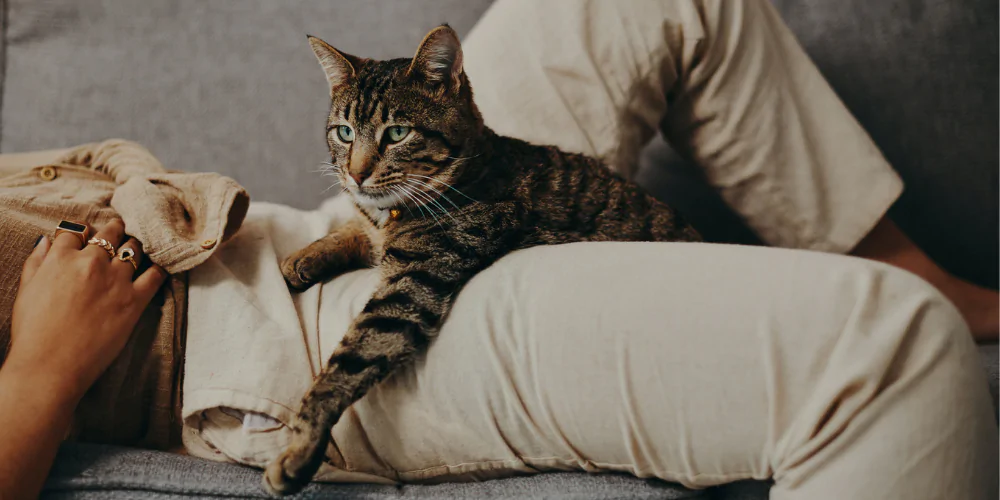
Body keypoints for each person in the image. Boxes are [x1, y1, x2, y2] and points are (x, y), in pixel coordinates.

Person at [0, 1, 995, 499]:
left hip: (312, 232)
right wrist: (41, 372)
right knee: (893, 354)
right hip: (269, 354)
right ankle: (909, 303)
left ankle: (906, 255)